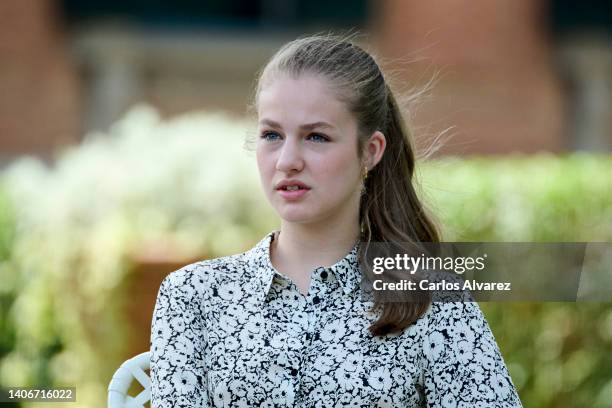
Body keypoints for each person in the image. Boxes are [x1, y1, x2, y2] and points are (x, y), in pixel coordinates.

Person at [150, 34, 523, 407]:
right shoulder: (193, 296)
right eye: (272, 135)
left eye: (316, 136)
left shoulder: (434, 301)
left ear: (370, 151)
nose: (287, 161)